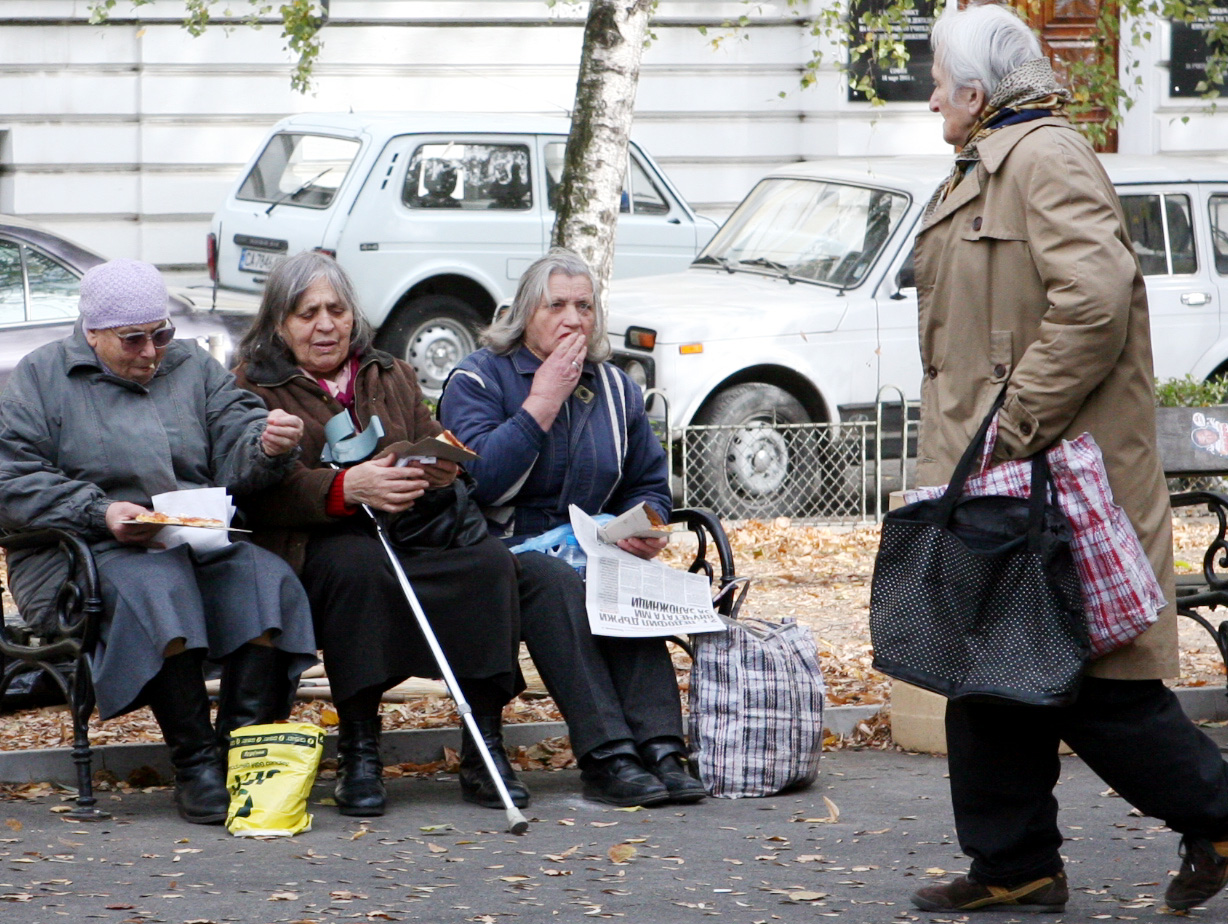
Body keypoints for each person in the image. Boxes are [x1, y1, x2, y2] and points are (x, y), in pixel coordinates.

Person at [908, 3, 1228, 914]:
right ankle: (1014, 865)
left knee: (1086, 685)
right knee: (989, 671)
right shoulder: (990, 162)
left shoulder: (1042, 159)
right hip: (1001, 483)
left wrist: (1009, 427)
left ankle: (1219, 816)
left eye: (937, 80)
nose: (931, 98)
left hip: (1044, 479)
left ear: (975, 91)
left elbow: (1093, 303)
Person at [0, 258, 317, 825]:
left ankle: (238, 755)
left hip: (186, 543)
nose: (151, 352)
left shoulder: (191, 364)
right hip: (75, 554)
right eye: (133, 340)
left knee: (266, 579)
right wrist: (100, 511)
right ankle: (194, 762)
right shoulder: (40, 377)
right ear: (92, 333)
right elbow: (11, 479)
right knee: (157, 581)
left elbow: (236, 433)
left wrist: (267, 443)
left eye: (160, 334)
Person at [231, 251, 525, 817]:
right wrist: (345, 489)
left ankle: (483, 746)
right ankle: (361, 750)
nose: (325, 325)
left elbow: (434, 435)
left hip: (413, 532)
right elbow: (261, 490)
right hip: (318, 542)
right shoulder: (255, 387)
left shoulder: (389, 371)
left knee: (490, 565)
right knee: (357, 568)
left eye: (336, 310)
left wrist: (445, 464)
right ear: (278, 324)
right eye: (306, 313)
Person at [440, 247, 706, 807]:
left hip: (594, 544)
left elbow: (650, 484)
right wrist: (541, 402)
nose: (573, 319)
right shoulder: (479, 380)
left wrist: (647, 524)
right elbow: (481, 481)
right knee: (557, 581)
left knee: (621, 574)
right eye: (556, 305)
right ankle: (608, 755)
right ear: (524, 315)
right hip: (499, 551)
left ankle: (661, 748)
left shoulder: (614, 387)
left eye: (584, 306)